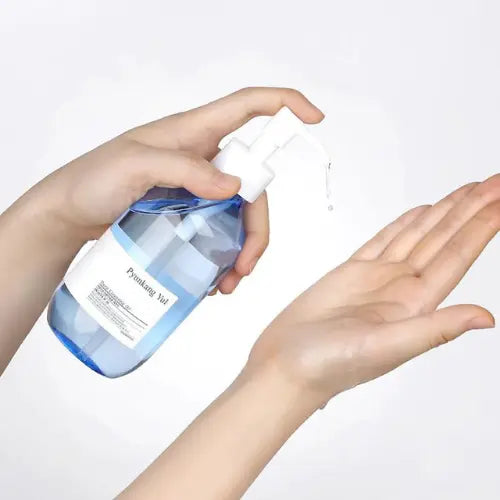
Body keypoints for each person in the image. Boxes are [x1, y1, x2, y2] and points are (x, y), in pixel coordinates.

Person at [0, 87, 497, 500]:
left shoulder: (222, 231)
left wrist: (55, 216)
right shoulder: (187, 213)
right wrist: (286, 382)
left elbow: (60, 215)